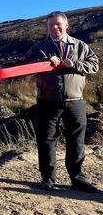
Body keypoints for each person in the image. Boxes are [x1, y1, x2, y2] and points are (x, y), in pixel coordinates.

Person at [25, 11, 99, 193]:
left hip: (75, 101)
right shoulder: (40, 47)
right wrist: (44, 61)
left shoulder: (80, 46)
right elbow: (26, 63)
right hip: (47, 101)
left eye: (58, 24)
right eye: (50, 25)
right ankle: (48, 178)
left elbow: (94, 65)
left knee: (76, 140)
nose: (54, 28)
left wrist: (73, 64)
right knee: (46, 140)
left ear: (67, 25)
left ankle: (78, 178)